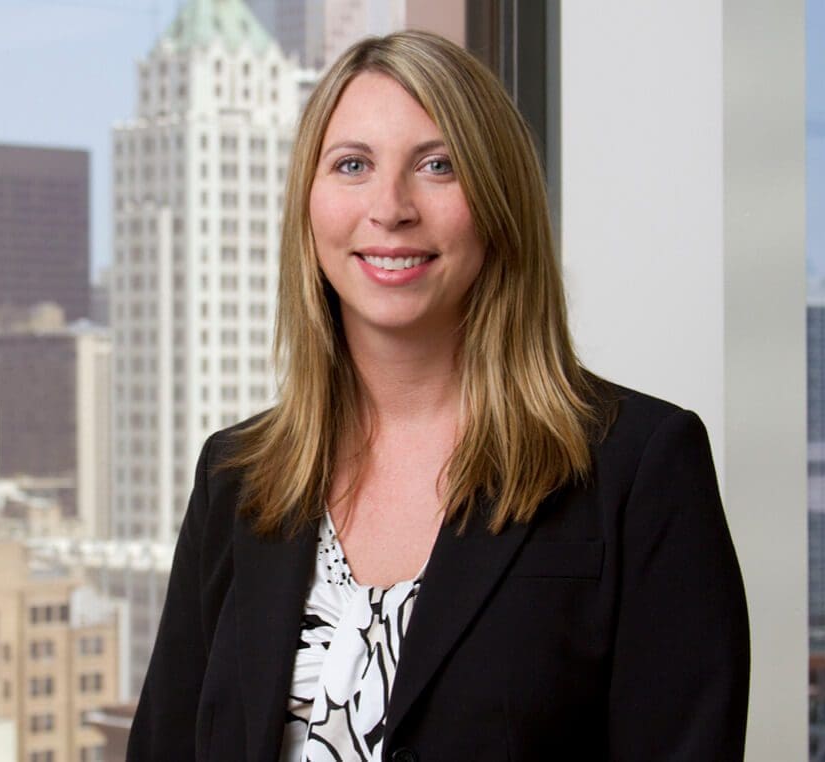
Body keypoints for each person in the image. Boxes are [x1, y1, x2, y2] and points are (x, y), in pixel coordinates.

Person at [128, 30, 749, 761]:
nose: (390, 207)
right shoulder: (237, 474)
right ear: (307, 205)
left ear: (499, 201)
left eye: (438, 166)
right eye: (352, 165)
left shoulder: (639, 466)